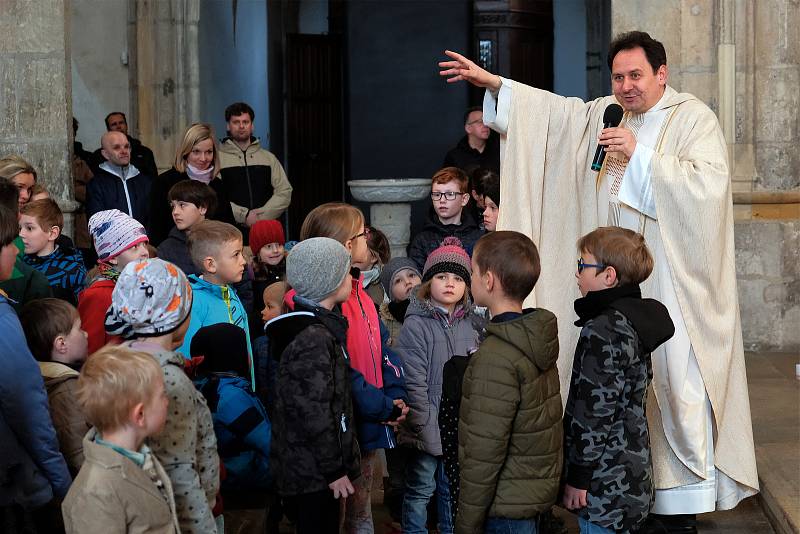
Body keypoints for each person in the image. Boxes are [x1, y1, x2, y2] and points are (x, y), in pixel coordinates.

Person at [440, 31, 759, 528]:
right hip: (611, 288)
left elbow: (709, 188)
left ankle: (680, 499)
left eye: (636, 76)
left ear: (662, 74)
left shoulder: (692, 118)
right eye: (618, 77)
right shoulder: (604, 113)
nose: (627, 87)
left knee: (676, 382)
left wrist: (642, 157)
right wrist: (500, 85)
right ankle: (626, 488)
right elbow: (557, 117)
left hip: (671, 285)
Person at [297, 202, 409, 534]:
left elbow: (383, 350)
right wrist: (382, 404)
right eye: (362, 234)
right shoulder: (327, 305)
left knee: (360, 509)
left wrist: (395, 394)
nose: (368, 238)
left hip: (371, 417)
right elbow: (341, 371)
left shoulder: (359, 293)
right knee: (339, 515)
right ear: (346, 245)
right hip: (347, 424)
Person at [562, 227, 675, 533]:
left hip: (604, 484)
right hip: (633, 472)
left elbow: (593, 413)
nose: (577, 273)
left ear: (608, 276)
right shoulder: (630, 320)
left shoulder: (603, 329)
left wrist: (578, 477)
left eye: (582, 265)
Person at [454, 231, 561, 533]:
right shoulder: (534, 338)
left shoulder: (496, 357)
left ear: (488, 281)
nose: (470, 278)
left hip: (503, 507)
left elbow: (484, 451)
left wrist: (466, 523)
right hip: (529, 498)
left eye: (472, 272)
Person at [105, 258, 219, 533]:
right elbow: (179, 470)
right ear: (178, 315)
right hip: (179, 519)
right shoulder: (168, 381)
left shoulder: (119, 364)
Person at [267, 237, 361, 534]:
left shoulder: (319, 329)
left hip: (314, 471)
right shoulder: (314, 338)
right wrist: (334, 469)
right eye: (346, 272)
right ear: (329, 280)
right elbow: (314, 412)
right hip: (313, 475)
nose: (351, 278)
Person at [394, 237, 482, 534]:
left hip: (457, 423)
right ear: (427, 282)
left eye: (458, 278)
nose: (449, 284)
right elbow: (413, 380)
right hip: (425, 423)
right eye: (441, 276)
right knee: (420, 488)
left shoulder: (471, 324)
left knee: (450, 488)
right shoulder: (416, 324)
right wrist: (425, 422)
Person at [0, 201, 71, 532]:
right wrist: (61, 484)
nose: (17, 251)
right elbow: (25, 405)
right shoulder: (3, 319)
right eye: (11, 241)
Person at [61, 345, 180, 534]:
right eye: (162, 395)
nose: (167, 401)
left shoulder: (139, 453)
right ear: (140, 414)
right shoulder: (94, 494)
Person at [191, 323, 271, 491]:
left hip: (222, 477)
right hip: (243, 480)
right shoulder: (230, 396)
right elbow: (266, 441)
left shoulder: (201, 386)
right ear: (234, 355)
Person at [19, 299, 91, 477]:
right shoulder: (66, 389)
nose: (87, 334)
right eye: (80, 329)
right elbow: (78, 453)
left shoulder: (44, 377)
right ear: (61, 344)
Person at [176, 221, 252, 379]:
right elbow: (187, 358)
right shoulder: (194, 303)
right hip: (214, 396)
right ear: (211, 264)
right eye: (236, 255)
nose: (243, 261)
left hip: (240, 391)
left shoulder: (230, 292)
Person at [148, 123, 236, 246]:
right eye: (196, 152)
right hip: (174, 255)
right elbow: (156, 229)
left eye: (209, 152)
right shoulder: (164, 182)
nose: (203, 158)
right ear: (186, 152)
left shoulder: (218, 185)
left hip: (214, 254)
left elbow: (228, 226)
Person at [79, 209, 150, 355]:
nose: (145, 252)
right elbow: (93, 349)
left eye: (145, 244)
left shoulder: (145, 284)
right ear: (112, 257)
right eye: (134, 247)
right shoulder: (98, 295)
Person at [218, 102, 293, 237]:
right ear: (228, 126)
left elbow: (285, 191)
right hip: (230, 232)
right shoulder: (217, 159)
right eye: (236, 122)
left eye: (245, 122)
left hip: (266, 231)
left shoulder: (269, 158)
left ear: (252, 126)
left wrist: (261, 217)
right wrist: (244, 215)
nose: (241, 126)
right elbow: (215, 196)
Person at [407, 167, 484, 271]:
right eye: (437, 194)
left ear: (464, 199)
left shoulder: (478, 239)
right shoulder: (422, 240)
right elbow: (418, 281)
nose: (442, 200)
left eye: (449, 194)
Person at [20, 198, 86, 304]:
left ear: (52, 234)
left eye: (29, 228)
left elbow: (82, 309)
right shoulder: (19, 263)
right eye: (20, 228)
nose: (21, 234)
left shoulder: (73, 270)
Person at [0, 176, 52, 311]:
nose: (25, 196)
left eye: (30, 189)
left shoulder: (34, 282)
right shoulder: (33, 282)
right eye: (19, 187)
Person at [86, 131, 152, 228]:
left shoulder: (145, 181)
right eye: (117, 148)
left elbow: (153, 219)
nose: (124, 151)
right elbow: (97, 225)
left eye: (126, 146)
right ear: (105, 154)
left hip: (145, 242)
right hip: (112, 242)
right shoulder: (96, 184)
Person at [157, 179, 219, 275]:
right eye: (173, 206)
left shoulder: (223, 239)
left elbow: (242, 280)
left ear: (203, 208)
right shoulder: (166, 249)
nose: (175, 212)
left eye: (182, 205)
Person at [248, 219, 286, 340]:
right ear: (258, 252)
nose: (275, 250)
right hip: (263, 333)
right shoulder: (252, 276)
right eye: (269, 246)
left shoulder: (290, 269)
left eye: (279, 245)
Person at [91, 111, 158, 179]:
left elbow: (153, 180)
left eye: (121, 123)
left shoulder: (144, 152)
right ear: (108, 129)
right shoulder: (98, 156)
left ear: (126, 125)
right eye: (114, 124)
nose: (118, 126)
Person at [379, 257, 422, 348]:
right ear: (391, 293)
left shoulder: (437, 309)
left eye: (411, 275)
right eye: (398, 281)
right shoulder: (386, 321)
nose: (407, 282)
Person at [443, 106, 500, 175]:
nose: (485, 125)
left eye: (486, 121)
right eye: (480, 122)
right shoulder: (454, 156)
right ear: (468, 128)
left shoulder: (498, 152)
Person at [356, 225, 390, 307]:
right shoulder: (343, 281)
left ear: (373, 257)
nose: (350, 252)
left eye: (358, 247)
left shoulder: (383, 286)